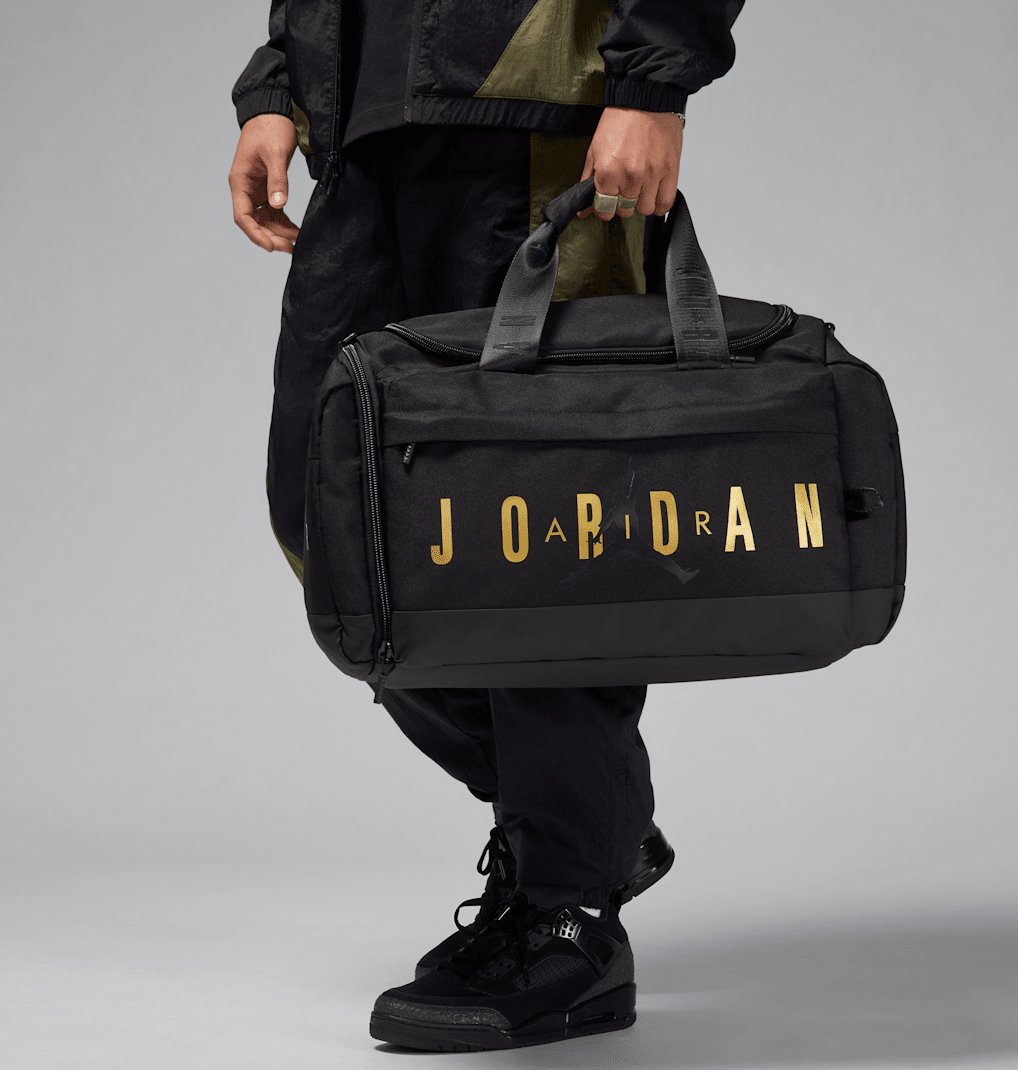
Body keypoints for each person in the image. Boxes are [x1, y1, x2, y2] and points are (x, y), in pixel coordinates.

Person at [229, 0, 745, 1051]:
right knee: (333, 517)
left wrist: (649, 82)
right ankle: (588, 823)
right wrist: (281, 84)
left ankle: (569, 913)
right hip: (363, 132)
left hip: (539, 114)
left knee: (541, 538)